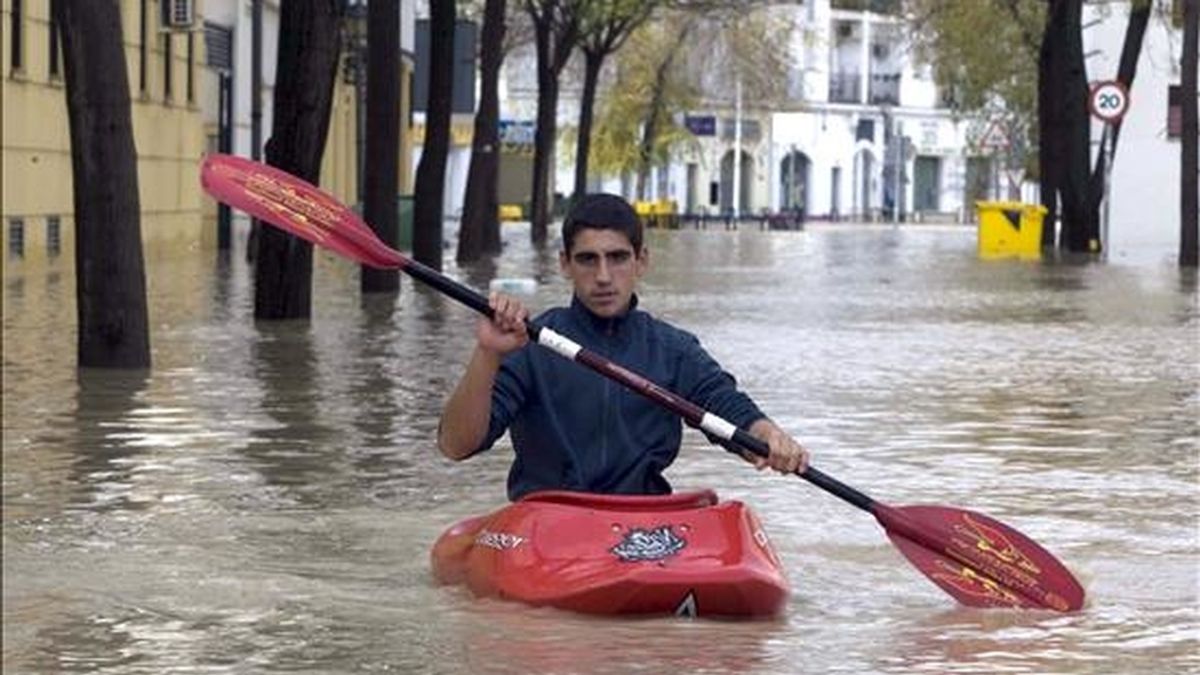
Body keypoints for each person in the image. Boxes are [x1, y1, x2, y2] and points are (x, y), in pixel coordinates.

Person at [438, 193, 809, 501]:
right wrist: (487, 352)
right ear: (565, 264)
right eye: (587, 259)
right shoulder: (529, 345)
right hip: (548, 522)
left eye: (617, 258)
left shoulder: (673, 350)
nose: (603, 277)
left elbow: (729, 408)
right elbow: (455, 446)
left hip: (643, 523)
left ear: (641, 261)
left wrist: (768, 437)